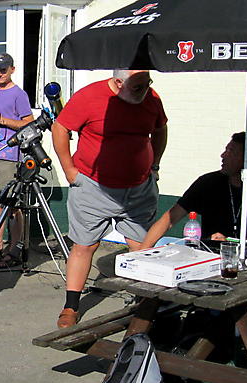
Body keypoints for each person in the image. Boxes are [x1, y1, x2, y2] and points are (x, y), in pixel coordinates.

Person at [52, 70, 168, 328]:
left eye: (148, 84)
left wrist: (155, 165)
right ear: (118, 83)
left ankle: (144, 304)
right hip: (93, 187)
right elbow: (60, 127)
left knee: (140, 246)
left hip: (138, 190)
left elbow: (160, 130)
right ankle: (71, 306)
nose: (145, 91)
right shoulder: (90, 97)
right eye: (138, 87)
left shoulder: (151, 99)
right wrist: (69, 170)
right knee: (84, 246)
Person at [141, 133, 247, 249]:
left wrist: (233, 242)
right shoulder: (207, 183)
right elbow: (169, 219)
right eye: (226, 150)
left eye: (231, 152)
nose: (223, 155)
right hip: (209, 255)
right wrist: (142, 252)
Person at [0, 54, 33, 266]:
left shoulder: (19, 94)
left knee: (12, 205)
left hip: (8, 156)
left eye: (2, 69)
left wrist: (3, 120)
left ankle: (15, 249)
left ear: (12, 69)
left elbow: (29, 123)